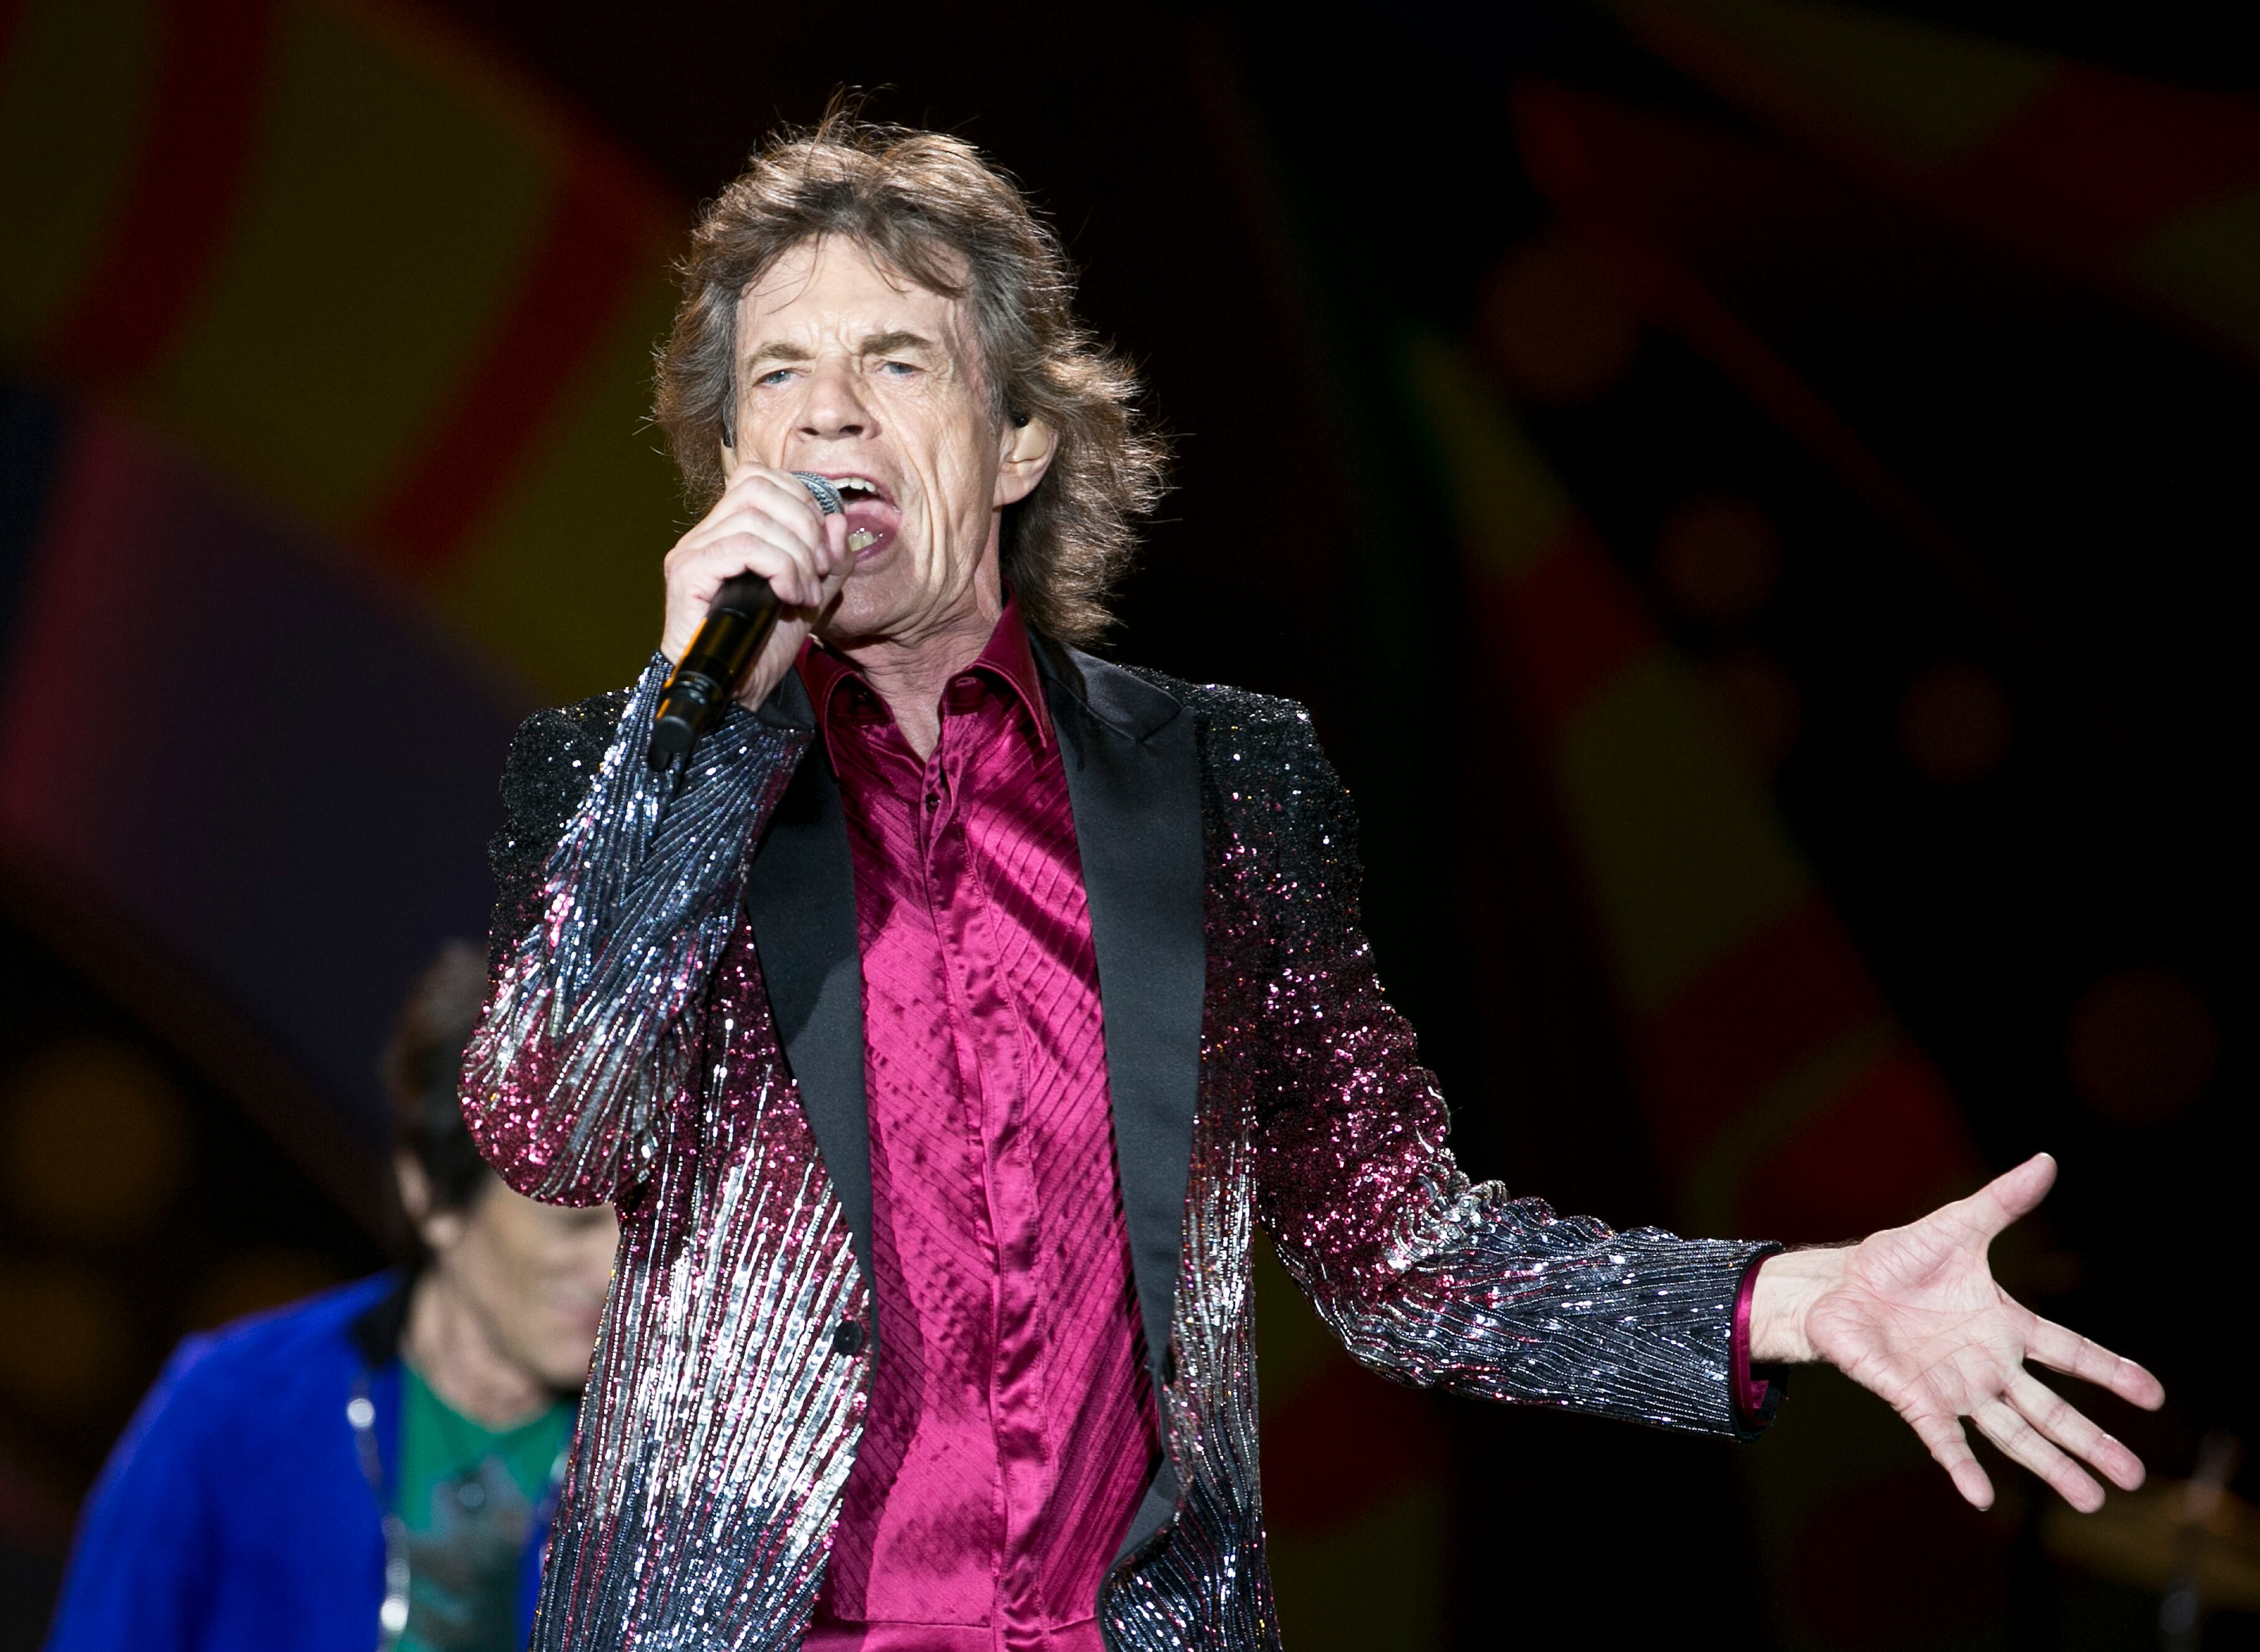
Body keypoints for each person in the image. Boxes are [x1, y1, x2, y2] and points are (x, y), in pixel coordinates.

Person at [463, 111, 2165, 1652]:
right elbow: (552, 1125)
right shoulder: (619, 781)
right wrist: (691, 740)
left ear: (1022, 446)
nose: (827, 409)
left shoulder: (1224, 786)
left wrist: (1797, 1296)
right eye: (778, 377)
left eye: (894, 360)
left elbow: (1403, 1256)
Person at [46, 942, 618, 1652]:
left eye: (644, 1221)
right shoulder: (236, 1405)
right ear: (433, 1195)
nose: (615, 1266)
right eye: (572, 1219)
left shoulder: (661, 1465)